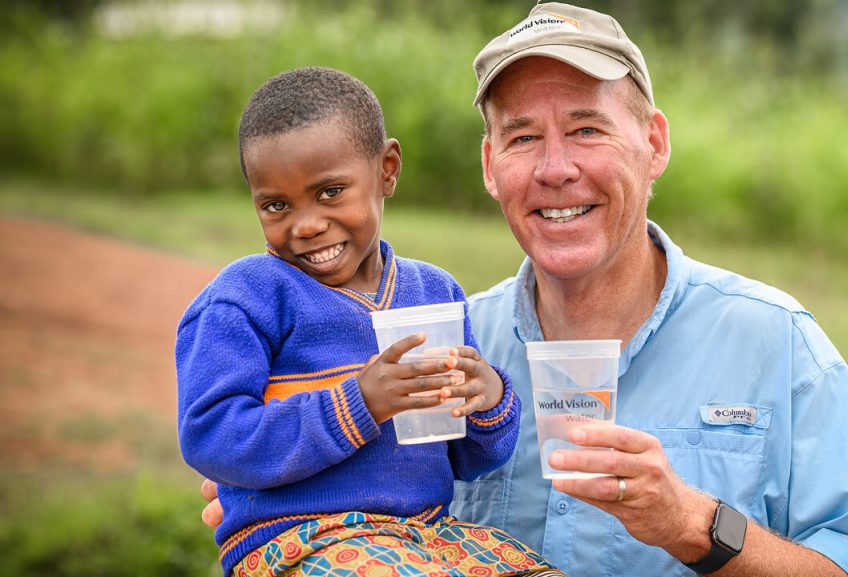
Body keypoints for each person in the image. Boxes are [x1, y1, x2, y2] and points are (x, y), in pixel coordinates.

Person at [202, 4, 848, 576]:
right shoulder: (441, 335)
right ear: (489, 164)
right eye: (523, 138)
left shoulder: (775, 343)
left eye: (586, 128)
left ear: (654, 144)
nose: (556, 168)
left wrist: (692, 524)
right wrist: (288, 483)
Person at [177, 66, 563, 577]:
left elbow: (469, 459)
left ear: (387, 169)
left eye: (331, 191)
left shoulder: (434, 292)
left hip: (426, 535)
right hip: (303, 540)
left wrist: (487, 398)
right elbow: (212, 437)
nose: (307, 224)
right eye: (276, 205)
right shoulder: (246, 298)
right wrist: (359, 405)